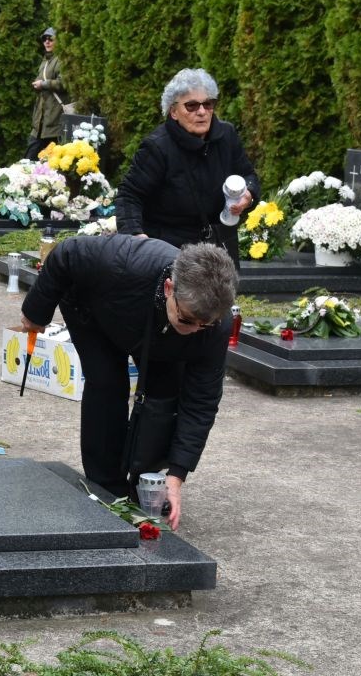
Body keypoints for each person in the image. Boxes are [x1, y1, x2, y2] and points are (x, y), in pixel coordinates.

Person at [18, 236, 238, 530]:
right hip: (96, 308)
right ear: (170, 288)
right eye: (189, 320)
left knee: (162, 398)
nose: (196, 331)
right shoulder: (123, 262)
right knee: (108, 384)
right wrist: (36, 312)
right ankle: (105, 485)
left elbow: (202, 402)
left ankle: (144, 481)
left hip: (157, 330)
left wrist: (176, 475)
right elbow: (66, 254)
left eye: (205, 325)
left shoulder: (212, 325)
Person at [115, 68, 259, 269]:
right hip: (170, 248)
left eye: (207, 104)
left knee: (222, 300)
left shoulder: (227, 135)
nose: (201, 112)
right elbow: (129, 195)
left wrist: (248, 195)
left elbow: (247, 174)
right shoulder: (157, 147)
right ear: (173, 112)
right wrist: (136, 237)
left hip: (219, 244)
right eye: (191, 106)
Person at [25, 27, 65, 160]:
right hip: (40, 122)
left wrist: (43, 84)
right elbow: (41, 79)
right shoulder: (45, 60)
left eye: (50, 39)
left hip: (54, 120)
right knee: (29, 159)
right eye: (44, 39)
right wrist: (38, 83)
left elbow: (63, 83)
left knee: (51, 163)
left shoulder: (61, 59)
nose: (47, 42)